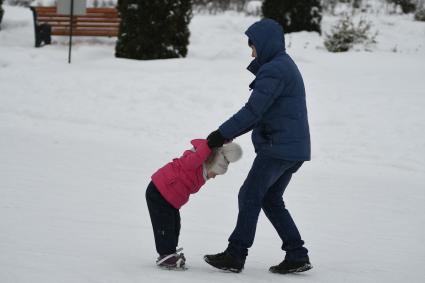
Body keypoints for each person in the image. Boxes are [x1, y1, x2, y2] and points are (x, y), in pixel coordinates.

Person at [204, 18, 312, 274]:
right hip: (292, 148)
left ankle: (235, 254)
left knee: (250, 195)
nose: (251, 52)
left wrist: (220, 134)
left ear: (264, 44)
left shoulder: (274, 70)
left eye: (253, 46)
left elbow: (254, 111)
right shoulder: (283, 65)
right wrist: (229, 135)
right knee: (271, 199)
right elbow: (261, 112)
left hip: (278, 147)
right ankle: (297, 254)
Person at [146, 139, 242, 270]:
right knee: (164, 225)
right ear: (210, 165)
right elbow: (201, 153)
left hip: (170, 199)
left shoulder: (202, 173)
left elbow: (218, 152)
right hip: (160, 192)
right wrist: (212, 142)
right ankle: (166, 255)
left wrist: (225, 141)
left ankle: (170, 252)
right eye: (215, 173)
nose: (214, 177)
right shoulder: (194, 163)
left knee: (175, 225)